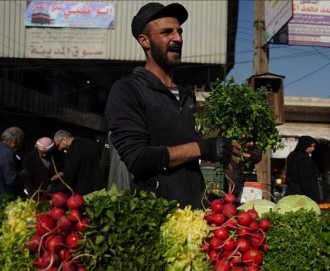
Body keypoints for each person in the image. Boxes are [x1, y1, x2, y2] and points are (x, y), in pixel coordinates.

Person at [104, 2, 242, 208]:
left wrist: (229, 151)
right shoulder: (127, 90)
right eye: (167, 32)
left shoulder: (187, 95)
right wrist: (202, 148)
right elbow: (137, 158)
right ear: (145, 41)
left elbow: (193, 151)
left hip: (194, 212)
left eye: (179, 31)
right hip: (155, 215)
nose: (178, 38)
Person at [53, 130, 103, 195]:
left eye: (58, 145)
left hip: (83, 192)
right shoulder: (90, 142)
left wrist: (54, 191)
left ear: (64, 140)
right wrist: (63, 172)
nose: (59, 149)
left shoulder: (72, 152)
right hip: (98, 188)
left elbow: (69, 178)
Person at [285, 135, 328, 203]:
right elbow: (306, 180)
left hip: (290, 193)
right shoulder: (305, 159)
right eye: (310, 146)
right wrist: (313, 197)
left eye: (314, 146)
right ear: (304, 145)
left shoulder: (291, 156)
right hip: (302, 196)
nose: (313, 149)